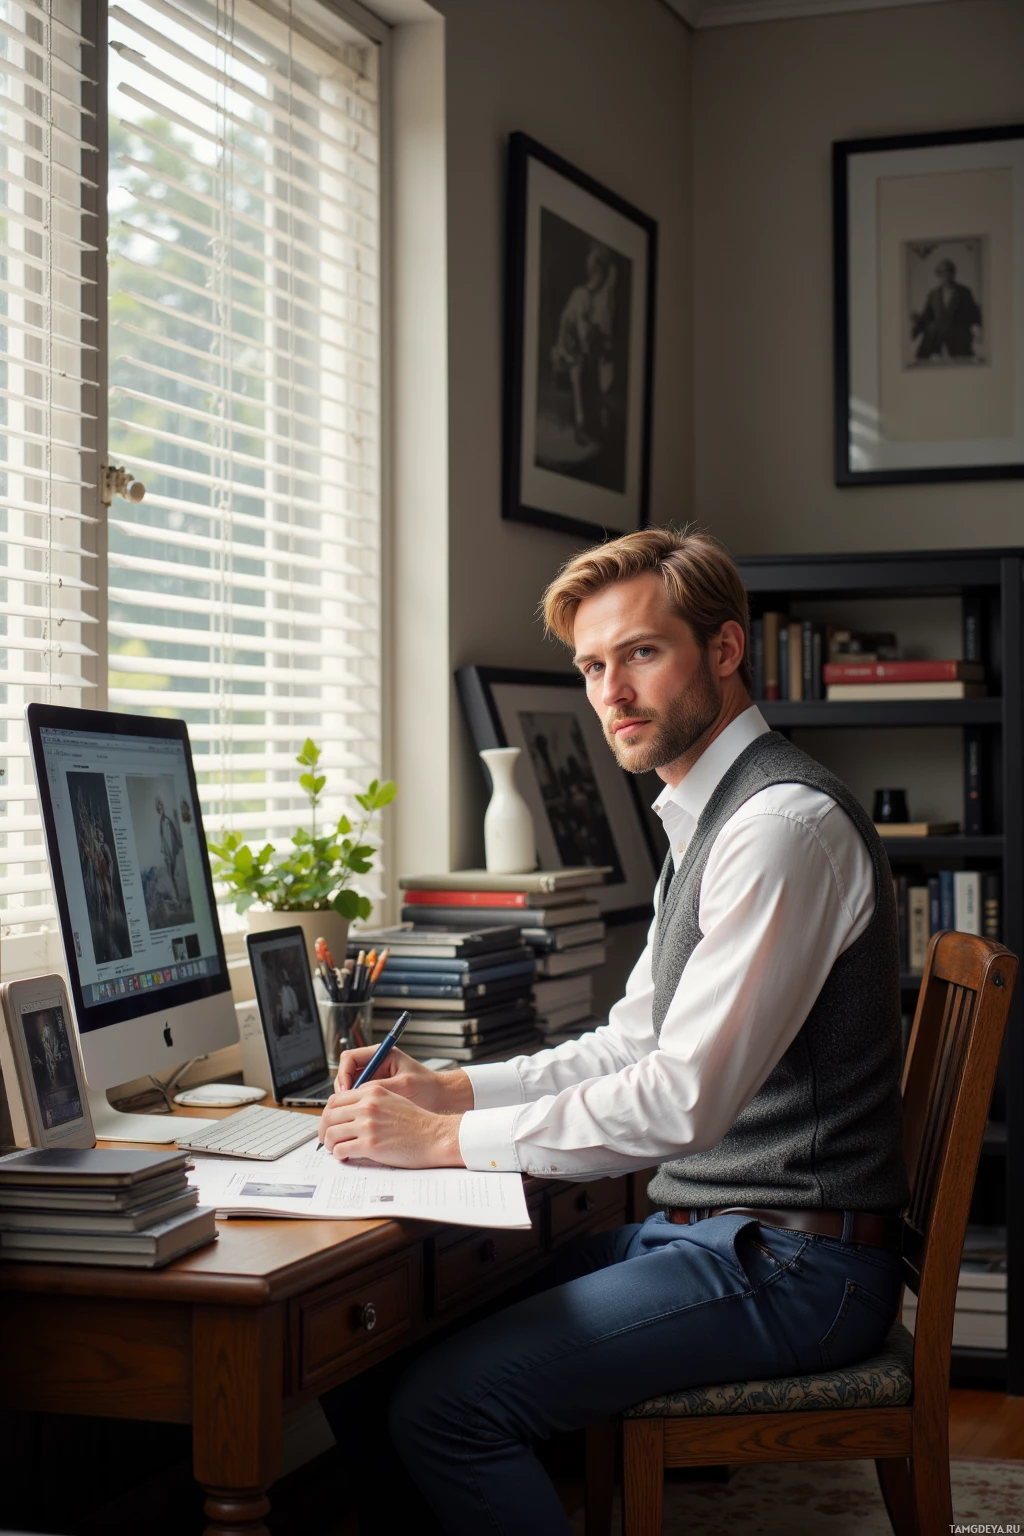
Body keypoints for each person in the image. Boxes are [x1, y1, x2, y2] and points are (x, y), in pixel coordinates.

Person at [317, 528, 909, 1536]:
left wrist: (445, 1145)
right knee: (366, 1371)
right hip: (720, 1238)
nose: (610, 692)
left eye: (640, 653)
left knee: (448, 1410)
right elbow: (630, 1042)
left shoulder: (777, 829)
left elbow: (683, 1097)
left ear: (723, 651)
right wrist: (452, 1091)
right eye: (592, 666)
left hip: (798, 1269)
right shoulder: (700, 816)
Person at [911, 256, 983, 361]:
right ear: (938, 276)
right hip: (937, 345)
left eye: (949, 273)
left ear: (953, 274)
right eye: (942, 275)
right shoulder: (933, 295)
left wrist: (978, 329)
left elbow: (974, 314)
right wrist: (914, 332)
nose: (946, 277)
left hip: (959, 342)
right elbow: (926, 317)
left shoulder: (964, 292)